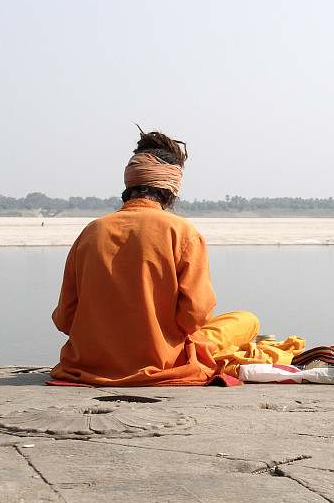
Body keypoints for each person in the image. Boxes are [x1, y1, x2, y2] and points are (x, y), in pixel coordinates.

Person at [51, 127, 271, 386]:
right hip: (162, 362)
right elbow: (194, 316)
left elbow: (65, 318)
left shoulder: (91, 232)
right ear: (171, 189)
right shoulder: (181, 232)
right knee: (246, 320)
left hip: (85, 364)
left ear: (129, 184)